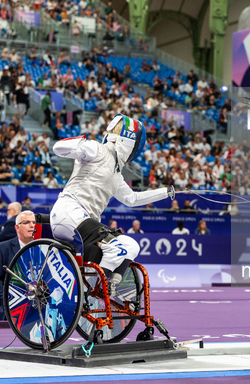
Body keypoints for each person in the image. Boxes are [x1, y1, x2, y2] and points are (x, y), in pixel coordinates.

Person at [50, 114, 174, 291]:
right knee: (115, 248)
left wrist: (165, 192)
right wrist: (81, 146)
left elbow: (132, 199)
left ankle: (105, 284)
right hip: (69, 213)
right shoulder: (97, 149)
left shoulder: (116, 174)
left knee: (131, 246)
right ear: (128, 141)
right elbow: (58, 147)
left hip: (87, 226)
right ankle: (98, 286)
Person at [0, 210, 36, 320]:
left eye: (34, 222)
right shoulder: (1, 248)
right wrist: (9, 301)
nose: (32, 226)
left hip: (39, 310)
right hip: (10, 309)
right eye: (27, 222)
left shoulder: (46, 249)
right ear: (17, 228)